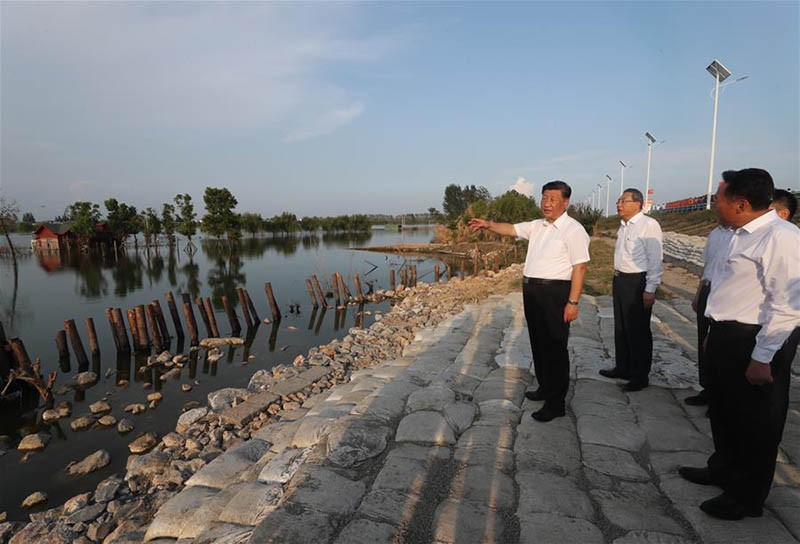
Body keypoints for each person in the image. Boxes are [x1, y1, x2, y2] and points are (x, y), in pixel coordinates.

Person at [679, 168, 800, 520]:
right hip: (725, 335)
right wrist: (712, 337)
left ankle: (747, 496)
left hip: (755, 340)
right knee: (724, 411)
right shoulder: (735, 234)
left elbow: (788, 305)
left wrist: (762, 357)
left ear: (742, 203)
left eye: (719, 198)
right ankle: (723, 468)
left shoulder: (781, 237)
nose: (714, 203)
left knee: (756, 422)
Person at [468, 181, 589, 422]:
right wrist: (489, 225)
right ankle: (545, 387)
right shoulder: (538, 226)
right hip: (533, 291)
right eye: (544, 197)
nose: (547, 203)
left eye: (553, 199)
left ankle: (556, 403)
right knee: (538, 342)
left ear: (565, 202)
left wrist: (572, 302)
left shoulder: (573, 230)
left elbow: (580, 268)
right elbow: (511, 229)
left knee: (555, 347)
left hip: (555, 292)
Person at [599, 188, 663, 391]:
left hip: (637, 283)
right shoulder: (624, 226)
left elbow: (655, 259)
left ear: (638, 204)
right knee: (621, 327)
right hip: (620, 280)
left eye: (623, 201)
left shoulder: (648, 225)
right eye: (619, 201)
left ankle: (639, 375)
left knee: (638, 330)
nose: (619, 204)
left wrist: (650, 288)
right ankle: (623, 366)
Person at [685, 217, 733, 406]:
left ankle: (721, 395)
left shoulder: (739, 235)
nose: (716, 207)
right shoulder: (715, 233)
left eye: (720, 201)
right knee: (703, 340)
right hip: (707, 288)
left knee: (720, 343)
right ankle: (707, 388)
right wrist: (698, 293)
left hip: (724, 293)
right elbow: (707, 266)